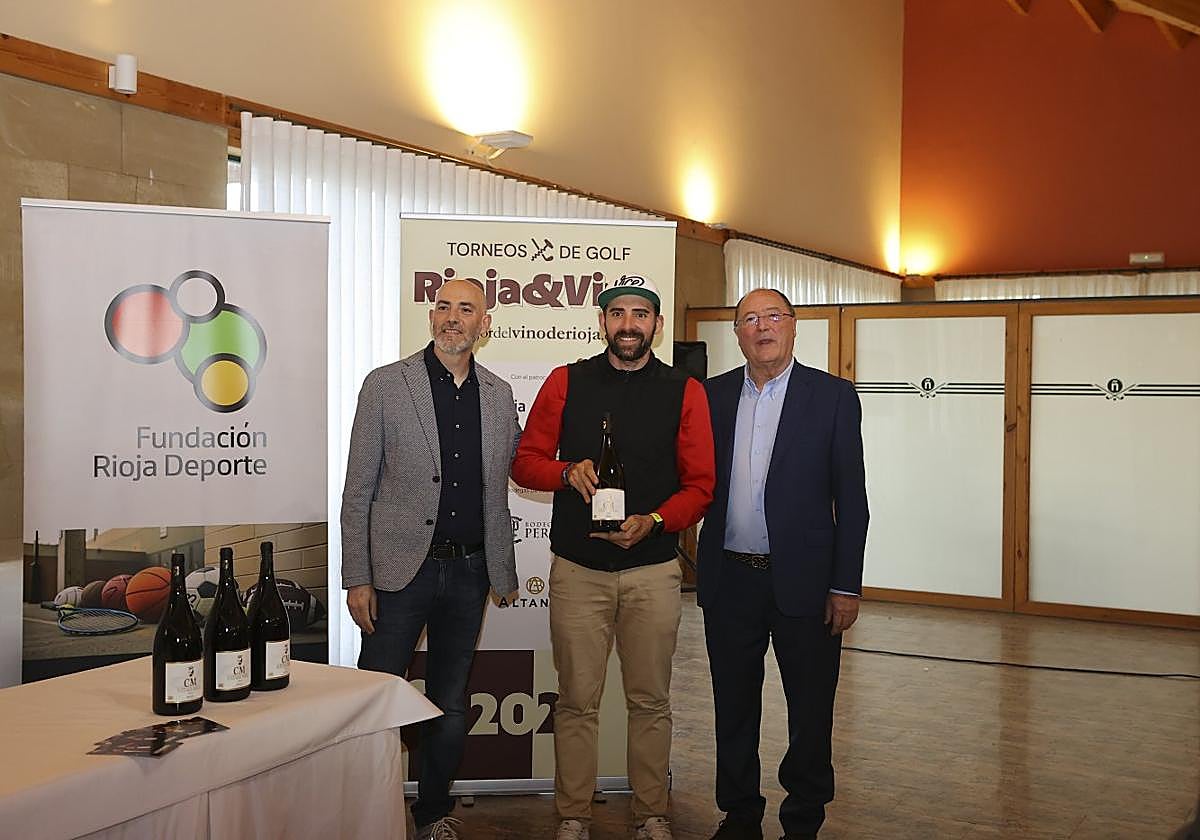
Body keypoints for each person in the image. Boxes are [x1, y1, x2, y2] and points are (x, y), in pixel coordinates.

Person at [511, 275, 715, 840]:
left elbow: (700, 486)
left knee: (650, 699)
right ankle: (573, 813)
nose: (629, 324)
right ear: (602, 322)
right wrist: (563, 471)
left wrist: (653, 522)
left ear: (656, 324)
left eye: (641, 315)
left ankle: (652, 811)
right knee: (577, 701)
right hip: (579, 571)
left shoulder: (685, 390)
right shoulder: (565, 382)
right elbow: (524, 463)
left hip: (652, 571)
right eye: (618, 314)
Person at [340, 278, 520, 840]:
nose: (452, 318)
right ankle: (365, 814)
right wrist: (357, 576)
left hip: (469, 572)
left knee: (450, 701)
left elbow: (506, 483)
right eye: (442, 306)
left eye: (466, 309)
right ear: (431, 317)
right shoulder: (386, 385)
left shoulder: (497, 394)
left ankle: (433, 812)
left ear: (483, 324)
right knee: (376, 697)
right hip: (398, 572)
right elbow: (358, 489)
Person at [698, 287, 868, 840]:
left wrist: (846, 585)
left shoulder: (833, 396)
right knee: (734, 704)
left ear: (794, 327)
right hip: (730, 580)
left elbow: (853, 498)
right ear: (737, 334)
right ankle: (740, 812)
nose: (762, 326)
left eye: (773, 316)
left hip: (807, 584)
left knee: (810, 709)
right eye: (749, 318)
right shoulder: (712, 396)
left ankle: (803, 818)